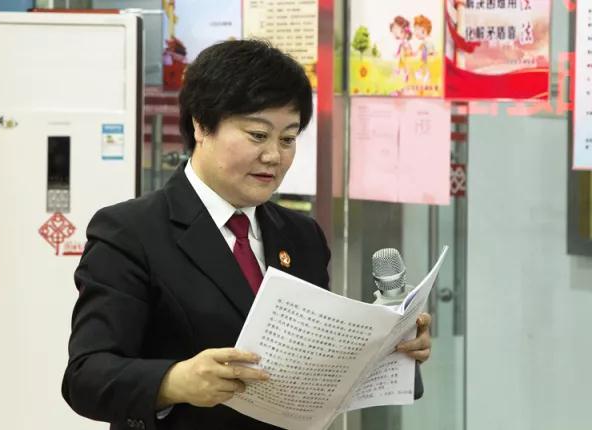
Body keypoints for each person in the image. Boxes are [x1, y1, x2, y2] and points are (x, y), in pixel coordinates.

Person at [61, 39, 432, 430]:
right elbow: (86, 376)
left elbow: (312, 361)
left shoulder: (302, 235)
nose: (274, 155)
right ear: (201, 125)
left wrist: (390, 349)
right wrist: (174, 382)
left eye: (287, 139)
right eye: (257, 135)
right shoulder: (131, 231)